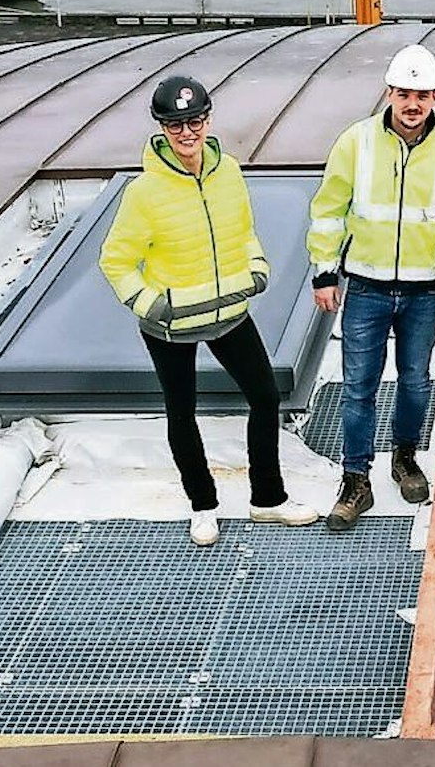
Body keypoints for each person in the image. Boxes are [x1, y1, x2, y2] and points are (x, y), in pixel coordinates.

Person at [100, 75, 320, 547]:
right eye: (175, 124)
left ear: (209, 120)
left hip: (228, 313)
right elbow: (115, 261)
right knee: (183, 412)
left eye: (195, 120)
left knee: (264, 396)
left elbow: (243, 230)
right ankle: (202, 505)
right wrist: (153, 305)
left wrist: (257, 265)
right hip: (171, 325)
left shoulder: (229, 172)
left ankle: (268, 499)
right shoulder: (144, 193)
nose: (186, 132)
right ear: (161, 129)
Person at [308, 44, 435, 531]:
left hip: (426, 293)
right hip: (365, 287)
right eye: (404, 93)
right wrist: (324, 273)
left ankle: (404, 458)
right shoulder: (356, 143)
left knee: (416, 383)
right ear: (389, 93)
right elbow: (329, 210)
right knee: (358, 387)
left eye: (422, 95)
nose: (412, 104)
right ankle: (355, 479)